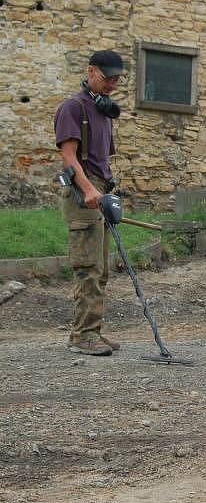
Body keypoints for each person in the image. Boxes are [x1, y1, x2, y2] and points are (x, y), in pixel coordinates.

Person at [55, 50, 125, 356]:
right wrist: (87, 190)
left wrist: (107, 191)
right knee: (88, 267)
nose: (112, 83)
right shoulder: (73, 108)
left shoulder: (103, 110)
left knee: (102, 268)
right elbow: (68, 158)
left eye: (117, 79)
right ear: (90, 72)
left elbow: (103, 160)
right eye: (107, 77)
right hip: (83, 193)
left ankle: (92, 330)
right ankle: (81, 336)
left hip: (101, 190)